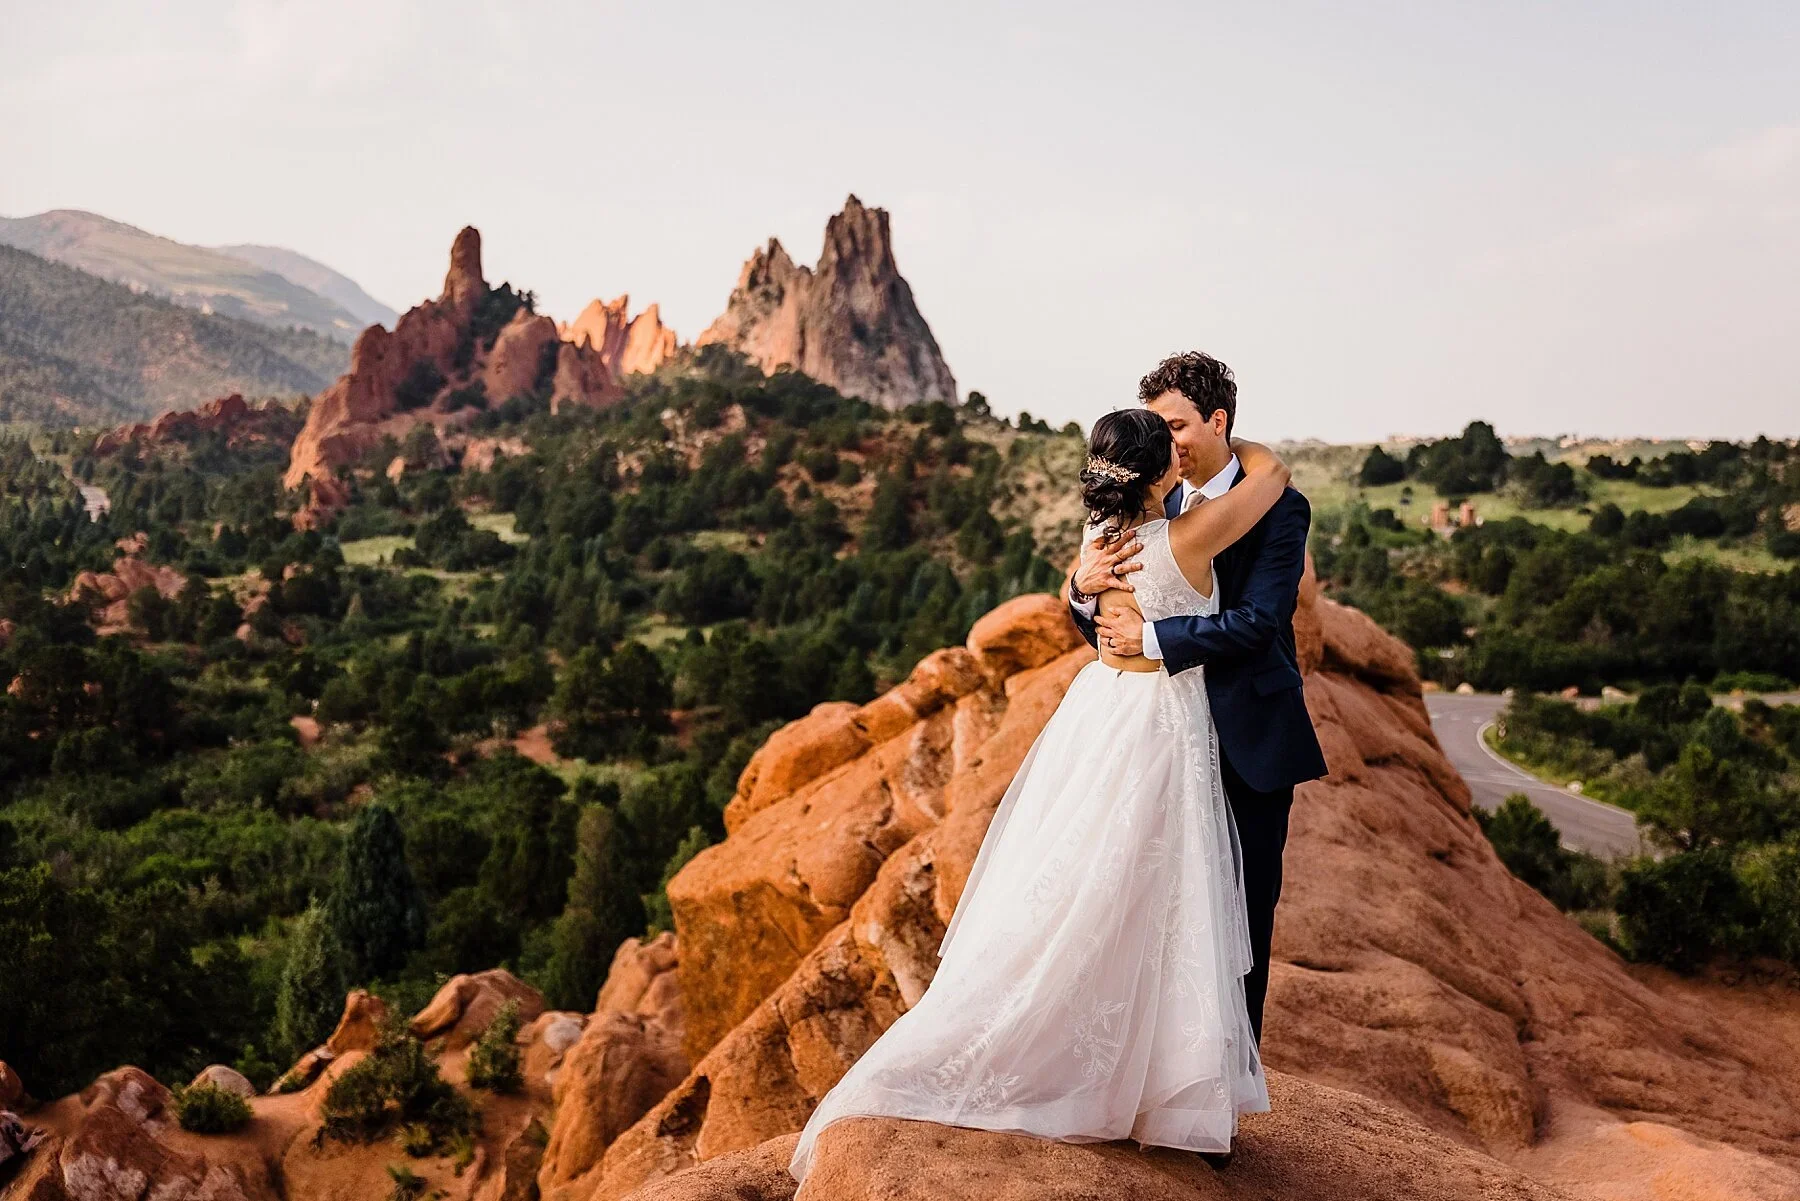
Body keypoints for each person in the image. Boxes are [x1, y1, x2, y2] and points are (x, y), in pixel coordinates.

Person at [788, 402, 1293, 1184]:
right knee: (1168, 896)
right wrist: (1226, 438)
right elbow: (1274, 479)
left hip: (1099, 715)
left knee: (1088, 883)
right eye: (1172, 446)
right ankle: (1162, 1086)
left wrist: (1078, 585)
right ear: (1161, 470)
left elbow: (1093, 592)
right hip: (1162, 720)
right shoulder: (1191, 536)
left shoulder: (1098, 542)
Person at [1073, 351, 1327, 1047]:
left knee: (1241, 918)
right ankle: (1145, 1064)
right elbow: (1101, 617)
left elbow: (1261, 621)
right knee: (1149, 906)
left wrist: (1153, 637)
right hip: (1155, 739)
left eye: (1179, 424)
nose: (1168, 442)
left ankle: (1222, 1087)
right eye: (1158, 428)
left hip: (1246, 734)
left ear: (1217, 421)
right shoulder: (1141, 500)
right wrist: (1081, 587)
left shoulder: (1280, 506)